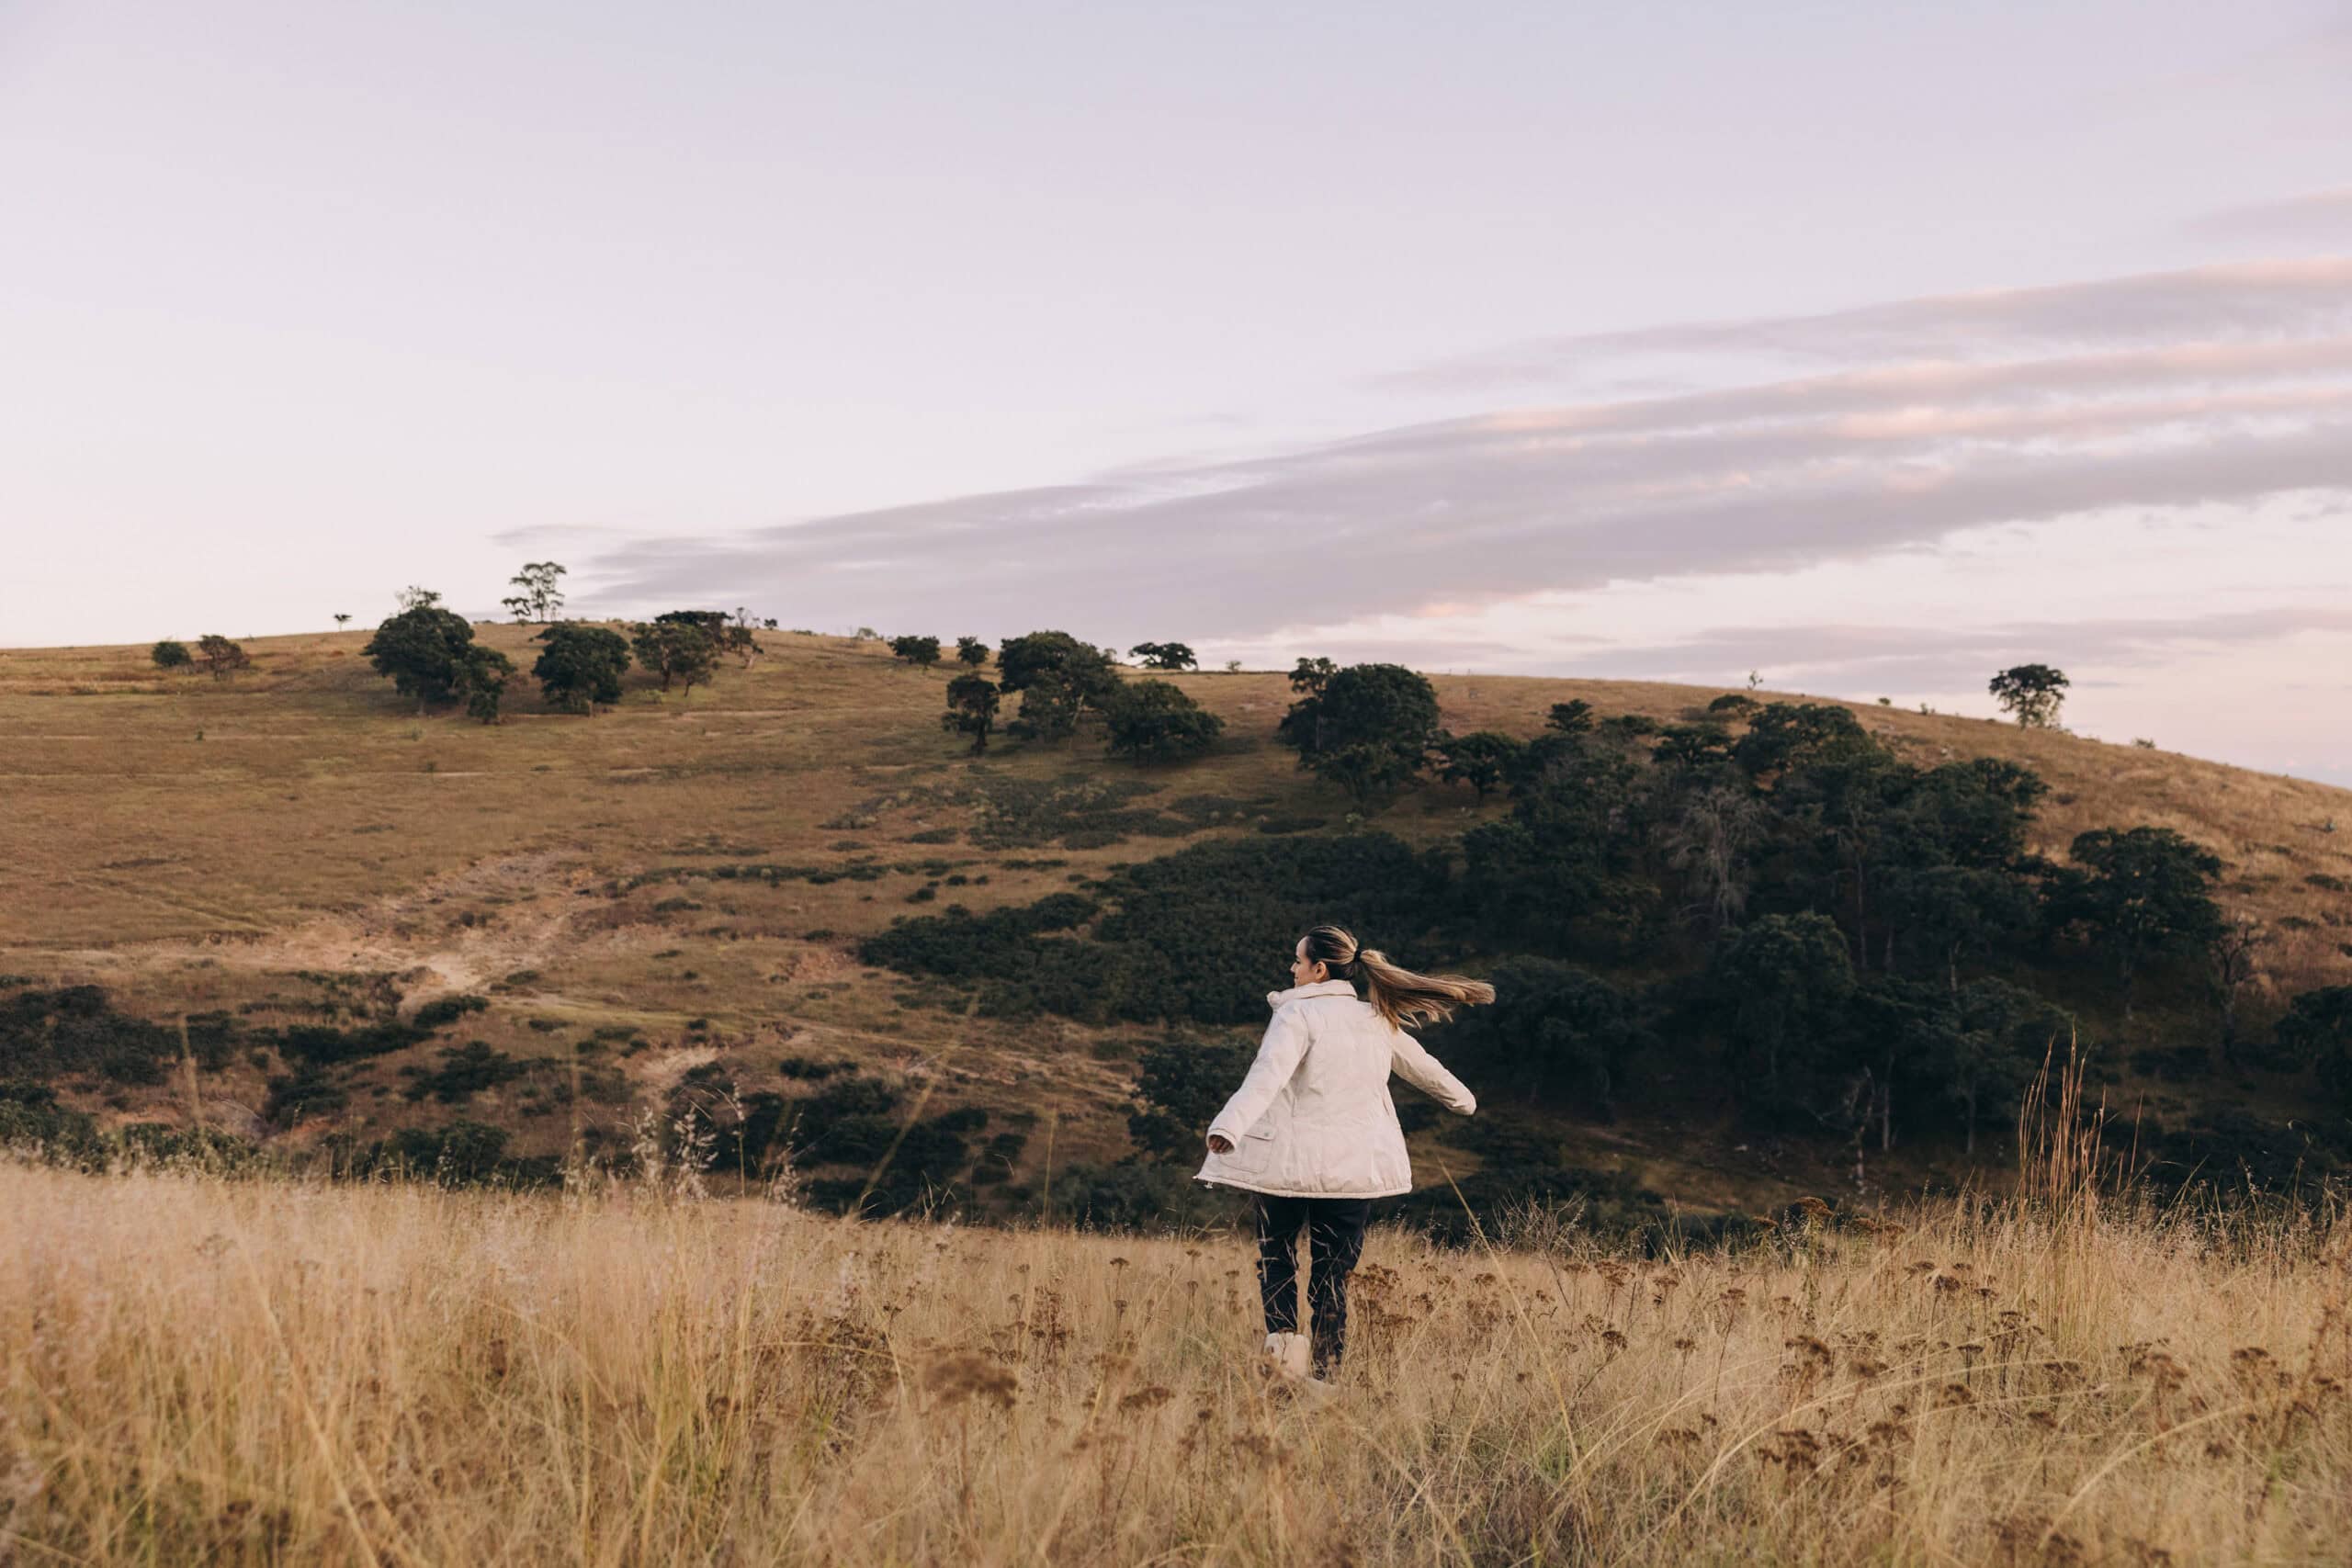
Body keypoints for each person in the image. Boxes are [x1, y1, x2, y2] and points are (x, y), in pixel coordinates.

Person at [1196, 923, 1491, 1390]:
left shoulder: (1296, 1017)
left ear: (1319, 969)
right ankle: (1327, 1378)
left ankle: (1283, 1363)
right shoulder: (1374, 1018)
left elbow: (1266, 1077)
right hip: (1353, 1173)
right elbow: (1427, 1071)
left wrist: (1228, 1127)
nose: (1292, 969)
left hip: (1288, 1173)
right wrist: (1464, 1100)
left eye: (1297, 961)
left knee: (1277, 1260)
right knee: (1333, 1275)